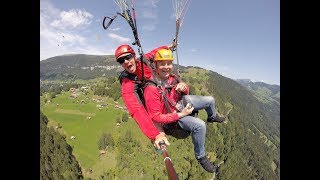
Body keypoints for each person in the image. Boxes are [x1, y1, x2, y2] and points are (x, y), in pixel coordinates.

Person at [143, 49, 225, 173]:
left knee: (210, 100)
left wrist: (184, 87)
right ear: (155, 65)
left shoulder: (172, 78)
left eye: (168, 63)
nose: (166, 67)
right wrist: (181, 114)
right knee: (200, 126)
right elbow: (156, 117)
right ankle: (201, 157)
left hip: (180, 104)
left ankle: (212, 117)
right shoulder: (151, 88)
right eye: (162, 64)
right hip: (172, 117)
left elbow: (185, 91)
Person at [114, 43, 176, 149]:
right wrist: (155, 135)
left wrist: (169, 47)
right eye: (121, 60)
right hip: (149, 100)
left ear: (134, 56)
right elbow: (136, 110)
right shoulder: (127, 82)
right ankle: (159, 137)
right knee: (154, 118)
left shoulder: (144, 61)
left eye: (128, 57)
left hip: (157, 90)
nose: (125, 62)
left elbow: (154, 52)